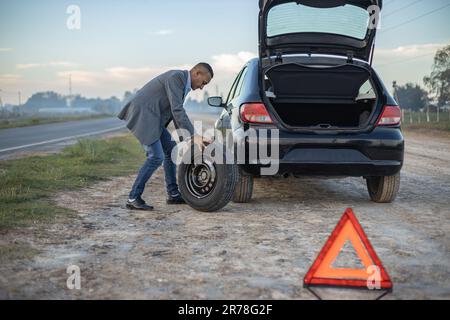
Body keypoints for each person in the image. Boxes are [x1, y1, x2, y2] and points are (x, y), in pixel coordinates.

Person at [118, 63, 213, 210]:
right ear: (197, 73)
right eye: (203, 83)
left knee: (171, 150)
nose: (202, 87)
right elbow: (177, 109)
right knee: (156, 157)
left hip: (154, 119)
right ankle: (133, 197)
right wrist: (194, 135)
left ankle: (173, 194)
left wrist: (187, 138)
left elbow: (175, 112)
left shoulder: (182, 83)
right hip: (144, 115)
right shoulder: (177, 78)